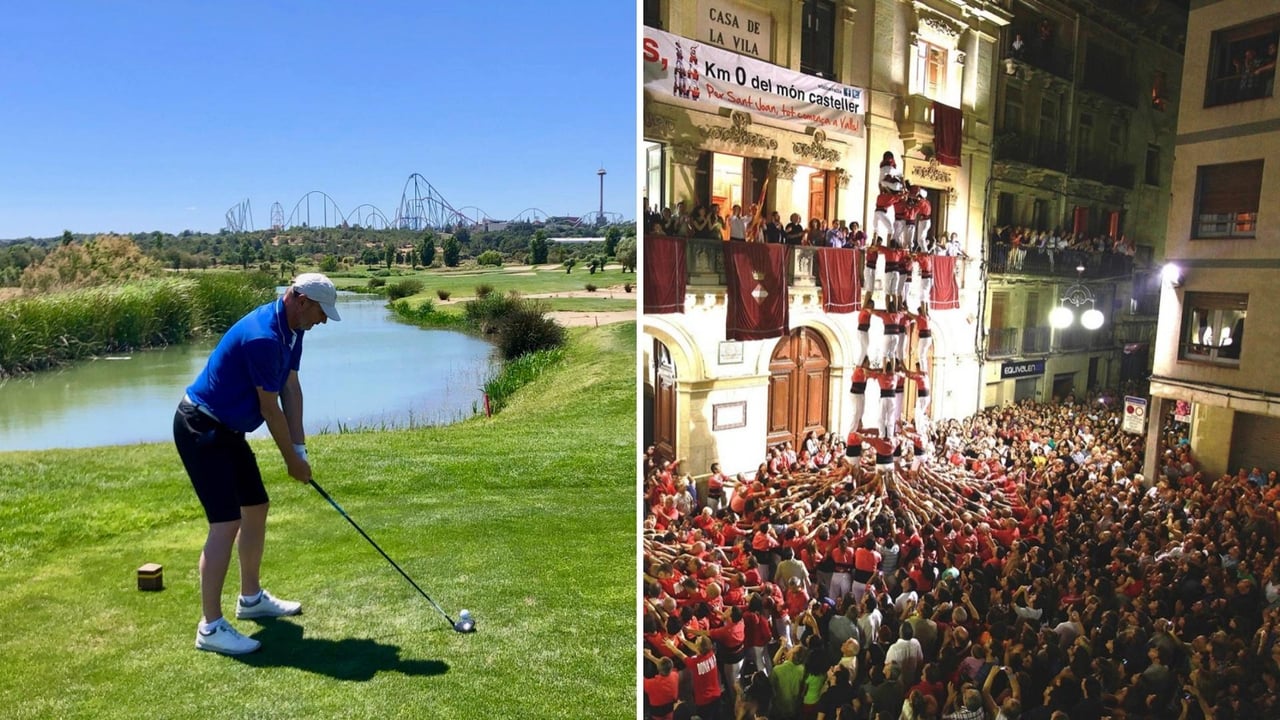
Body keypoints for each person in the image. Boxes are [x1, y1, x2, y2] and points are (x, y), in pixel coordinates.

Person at [174, 272, 341, 655]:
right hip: (200, 426)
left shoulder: (292, 330)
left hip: (228, 431)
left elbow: (290, 388)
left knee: (256, 507)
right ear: (300, 300)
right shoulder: (264, 337)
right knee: (226, 522)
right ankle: (210, 627)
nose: (322, 321)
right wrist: (289, 461)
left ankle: (250, 600)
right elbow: (269, 408)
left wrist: (300, 450)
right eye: (320, 312)